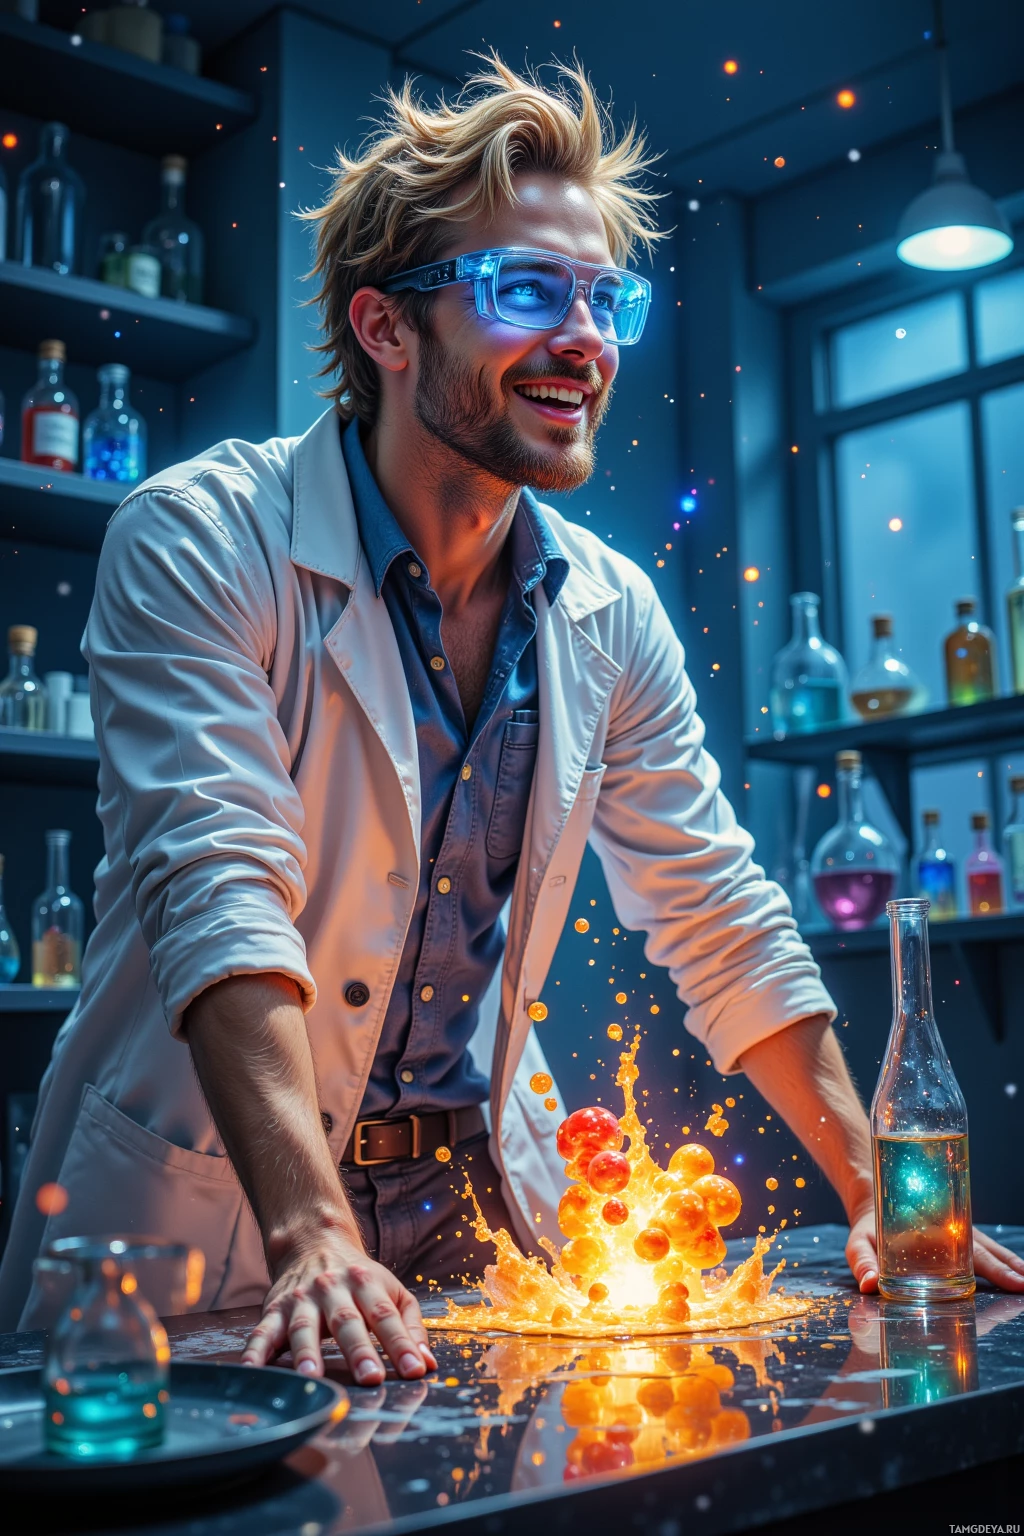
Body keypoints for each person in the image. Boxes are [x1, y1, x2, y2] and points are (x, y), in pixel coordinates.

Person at [2, 58, 1021, 1376]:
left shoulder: (612, 609)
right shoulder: (198, 539)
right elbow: (217, 886)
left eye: (605, 299)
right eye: (527, 290)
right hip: (219, 1227)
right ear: (385, 328)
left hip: (482, 1224)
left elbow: (714, 907)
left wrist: (876, 1183)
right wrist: (314, 1231)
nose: (586, 340)